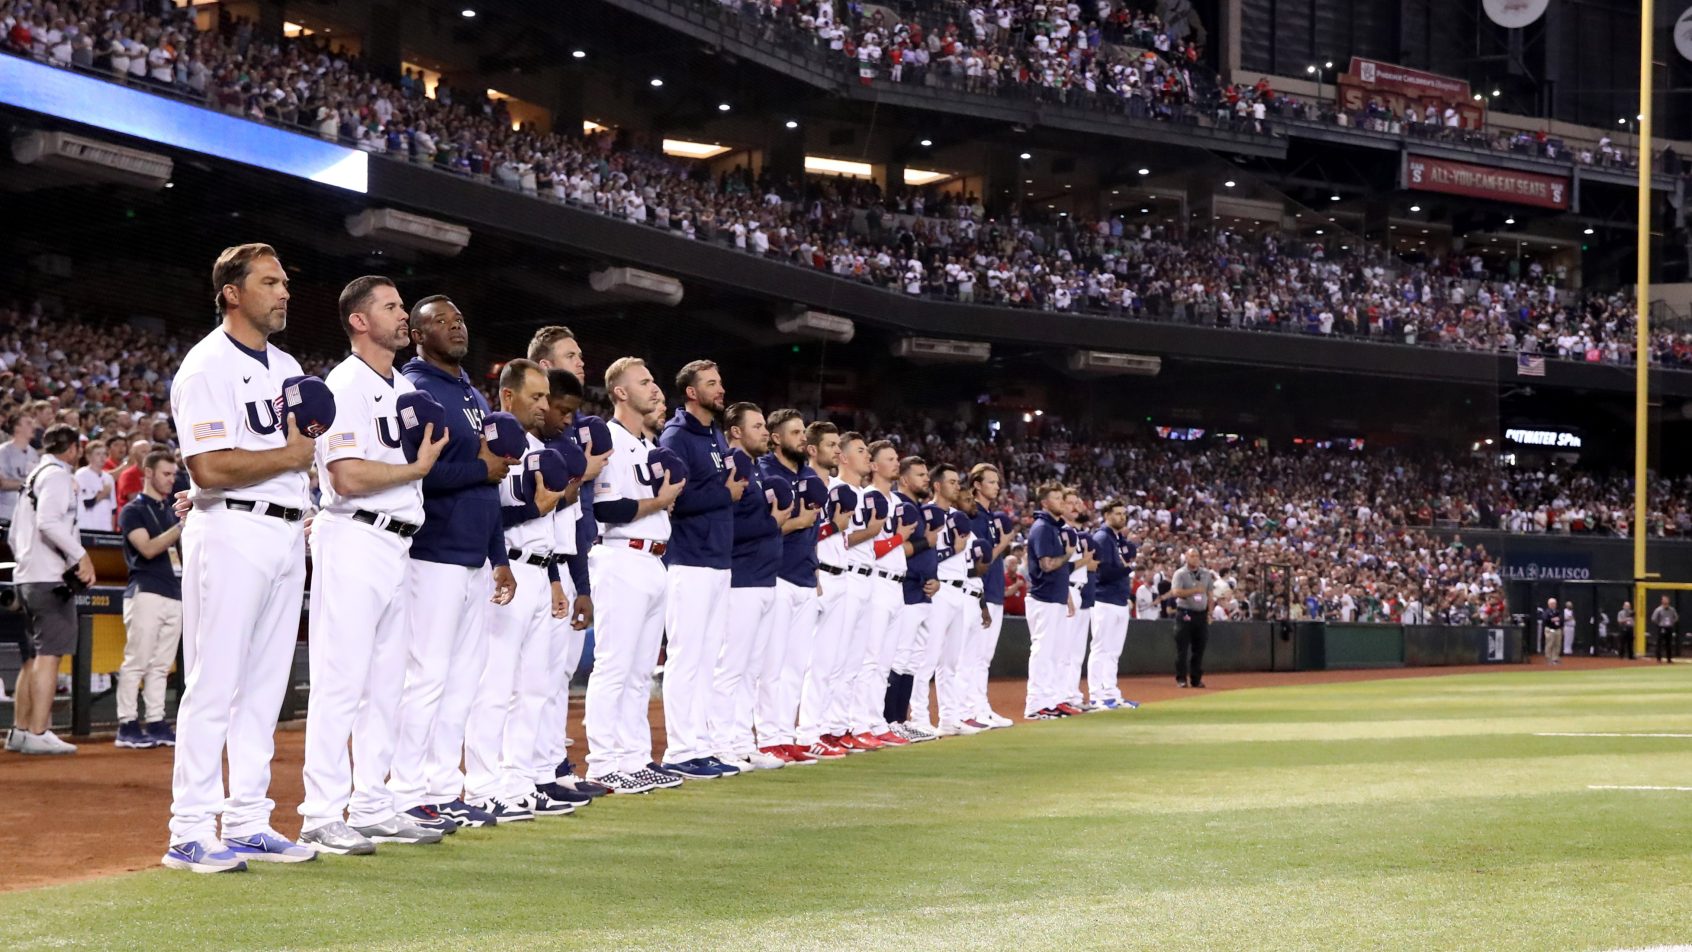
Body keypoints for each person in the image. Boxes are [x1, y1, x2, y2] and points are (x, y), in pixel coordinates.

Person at [164, 243, 318, 872]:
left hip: (285, 532)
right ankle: (190, 828)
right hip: (230, 529)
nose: (284, 292)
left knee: (264, 686)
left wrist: (296, 474)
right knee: (215, 680)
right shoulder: (204, 367)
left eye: (284, 282)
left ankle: (249, 818)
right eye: (270, 282)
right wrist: (288, 458)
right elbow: (208, 467)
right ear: (232, 292)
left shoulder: (286, 364)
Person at [297, 276, 448, 856]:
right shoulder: (346, 382)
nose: (403, 315)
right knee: (342, 681)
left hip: (396, 543)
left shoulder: (395, 385)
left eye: (402, 306)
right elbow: (348, 477)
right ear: (359, 321)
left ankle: (372, 804)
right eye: (390, 307)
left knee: (386, 685)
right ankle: (320, 813)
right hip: (354, 537)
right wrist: (415, 471)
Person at [390, 295, 517, 833]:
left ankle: (443, 787)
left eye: (459, 317)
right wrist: (480, 470)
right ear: (417, 334)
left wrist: (499, 558)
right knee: (426, 678)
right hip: (434, 550)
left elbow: (488, 481)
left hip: (473, 554)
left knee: (462, 680)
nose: (454, 326)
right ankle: (405, 790)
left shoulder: (468, 390)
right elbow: (418, 474)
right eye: (440, 321)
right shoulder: (414, 387)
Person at [463, 359, 574, 821]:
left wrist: (553, 581)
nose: (545, 406)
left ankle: (519, 780)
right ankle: (483, 784)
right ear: (508, 397)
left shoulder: (536, 447)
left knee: (533, 687)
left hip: (538, 572)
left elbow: (543, 524)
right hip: (503, 571)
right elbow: (491, 516)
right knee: (495, 685)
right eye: (536, 397)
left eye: (547, 398)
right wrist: (533, 508)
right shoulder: (492, 443)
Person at [583, 357, 685, 794]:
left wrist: (659, 505)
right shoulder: (607, 435)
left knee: (641, 669)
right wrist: (658, 503)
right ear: (620, 392)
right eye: (644, 382)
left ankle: (634, 757)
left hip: (652, 559)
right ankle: (604, 762)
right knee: (615, 666)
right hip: (620, 556)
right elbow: (604, 509)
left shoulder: (646, 445)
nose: (655, 388)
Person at [528, 326, 607, 798]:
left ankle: (552, 764)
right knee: (528, 681)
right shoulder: (531, 437)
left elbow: (573, 519)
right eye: (570, 356)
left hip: (566, 560)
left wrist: (578, 582)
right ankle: (524, 774)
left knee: (556, 675)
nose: (581, 363)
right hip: (532, 565)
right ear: (543, 366)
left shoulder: (570, 432)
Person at [656, 360, 741, 779]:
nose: (719, 389)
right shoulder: (676, 436)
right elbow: (675, 500)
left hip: (717, 559)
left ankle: (700, 744)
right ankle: (680, 750)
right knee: (687, 657)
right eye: (711, 383)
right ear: (691, 392)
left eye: (719, 380)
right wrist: (724, 493)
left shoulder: (715, 434)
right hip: (689, 559)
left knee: (707, 659)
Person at [710, 402, 789, 771]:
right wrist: (773, 522)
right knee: (731, 667)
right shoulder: (731, 465)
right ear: (736, 431)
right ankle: (720, 742)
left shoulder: (753, 469)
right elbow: (731, 528)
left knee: (750, 669)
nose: (763, 432)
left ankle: (741, 741)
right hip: (740, 579)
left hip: (763, 578)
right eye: (756, 426)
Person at [5, 423, 93, 755]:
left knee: (32, 658)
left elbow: (15, 535)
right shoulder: (56, 475)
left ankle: (21, 731)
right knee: (48, 655)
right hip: (48, 579)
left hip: (27, 575)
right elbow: (49, 522)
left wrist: (31, 561)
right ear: (72, 449)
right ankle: (40, 730)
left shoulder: (32, 476)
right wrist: (80, 556)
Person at [757, 414, 829, 765]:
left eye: (803, 432)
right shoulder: (766, 472)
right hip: (776, 575)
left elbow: (812, 535)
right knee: (772, 665)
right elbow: (763, 528)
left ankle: (785, 735)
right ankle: (768, 738)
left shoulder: (808, 475)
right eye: (796, 433)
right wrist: (796, 522)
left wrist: (815, 574)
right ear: (775, 438)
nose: (803, 439)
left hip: (804, 575)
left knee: (795, 666)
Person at [800, 430, 872, 758]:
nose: (833, 450)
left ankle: (824, 729)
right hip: (820, 574)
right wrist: (834, 529)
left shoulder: (838, 489)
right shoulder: (814, 484)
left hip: (840, 575)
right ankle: (807, 732)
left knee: (833, 662)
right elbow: (810, 529)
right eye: (831, 445)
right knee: (814, 663)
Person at [113, 449, 184, 750]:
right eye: (166, 474)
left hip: (173, 590)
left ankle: (156, 721)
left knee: (161, 665)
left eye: (173, 474)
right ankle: (126, 724)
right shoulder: (133, 510)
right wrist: (181, 527)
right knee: (137, 661)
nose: (171, 480)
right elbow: (148, 548)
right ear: (149, 473)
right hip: (145, 590)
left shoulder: (169, 509)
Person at [888, 456, 940, 739]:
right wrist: (926, 542)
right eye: (920, 475)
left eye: (926, 475)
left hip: (923, 591)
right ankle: (889, 721)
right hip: (906, 590)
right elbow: (896, 549)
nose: (926, 480)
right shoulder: (899, 505)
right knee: (898, 658)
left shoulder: (916, 508)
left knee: (910, 661)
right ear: (905, 479)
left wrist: (936, 581)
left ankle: (900, 719)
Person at [963, 467, 1014, 728]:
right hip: (977, 592)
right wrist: (1004, 543)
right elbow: (979, 560)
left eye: (997, 482)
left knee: (984, 657)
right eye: (991, 482)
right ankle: (970, 709)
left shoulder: (991, 516)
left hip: (993, 591)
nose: (996, 486)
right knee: (972, 656)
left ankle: (981, 706)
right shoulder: (972, 515)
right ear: (976, 484)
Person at [1024, 483, 1077, 719]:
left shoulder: (1054, 528)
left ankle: (1053, 700)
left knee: (1055, 653)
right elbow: (1047, 565)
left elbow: (1058, 570)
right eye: (1056, 498)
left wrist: (1066, 597)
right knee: (1043, 652)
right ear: (1044, 503)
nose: (1062, 502)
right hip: (1043, 598)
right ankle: (1035, 704)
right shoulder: (1043, 527)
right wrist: (1068, 552)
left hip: (1055, 598)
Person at [1087, 499, 1139, 711]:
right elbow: (1103, 573)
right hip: (1103, 599)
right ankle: (1096, 695)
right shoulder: (1102, 538)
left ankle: (1110, 692)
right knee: (1100, 648)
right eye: (1117, 513)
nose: (1122, 517)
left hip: (1118, 600)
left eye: (1124, 513)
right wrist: (1127, 568)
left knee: (1113, 651)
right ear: (1107, 515)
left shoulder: (1118, 539)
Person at [1163, 548, 1215, 688]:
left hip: (1201, 614)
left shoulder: (1206, 574)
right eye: (1192, 556)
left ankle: (1196, 679)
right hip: (1185, 612)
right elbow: (1175, 592)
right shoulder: (1180, 573)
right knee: (1182, 648)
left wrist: (1210, 613)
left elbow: (1210, 595)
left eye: (1197, 556)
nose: (1195, 558)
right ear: (1186, 557)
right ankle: (1181, 678)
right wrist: (1194, 591)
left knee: (1199, 648)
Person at [0, 414, 40, 522]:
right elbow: (2, 483)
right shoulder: (3, 452)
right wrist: (29, 484)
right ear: (17, 427)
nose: (33, 426)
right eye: (28, 423)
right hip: (6, 513)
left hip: (26, 514)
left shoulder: (33, 453)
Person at [73, 439, 117, 531]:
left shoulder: (108, 478)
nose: (102, 457)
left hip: (105, 528)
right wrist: (102, 494)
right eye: (98, 454)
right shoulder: (81, 475)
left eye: (104, 454)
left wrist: (112, 532)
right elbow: (84, 503)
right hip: (87, 526)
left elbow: (113, 509)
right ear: (88, 457)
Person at [1652, 595, 1679, 664]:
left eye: (1667, 600)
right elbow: (1654, 618)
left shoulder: (1672, 609)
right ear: (1662, 601)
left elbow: (1676, 617)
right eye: (1664, 600)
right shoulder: (1658, 609)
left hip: (1669, 627)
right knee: (1659, 643)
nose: (1666, 602)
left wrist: (1672, 622)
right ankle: (1659, 659)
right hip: (1661, 627)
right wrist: (1659, 623)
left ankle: (1669, 659)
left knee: (1669, 643)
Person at [1542, 597, 1563, 665]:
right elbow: (1545, 619)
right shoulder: (1547, 612)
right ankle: (1549, 658)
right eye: (1553, 603)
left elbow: (1561, 618)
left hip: (1557, 629)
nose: (1554, 605)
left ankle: (1555, 659)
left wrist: (1558, 619)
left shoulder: (1557, 611)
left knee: (1557, 644)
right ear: (1549, 604)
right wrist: (1552, 619)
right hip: (1550, 629)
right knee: (1549, 644)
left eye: (1555, 603)